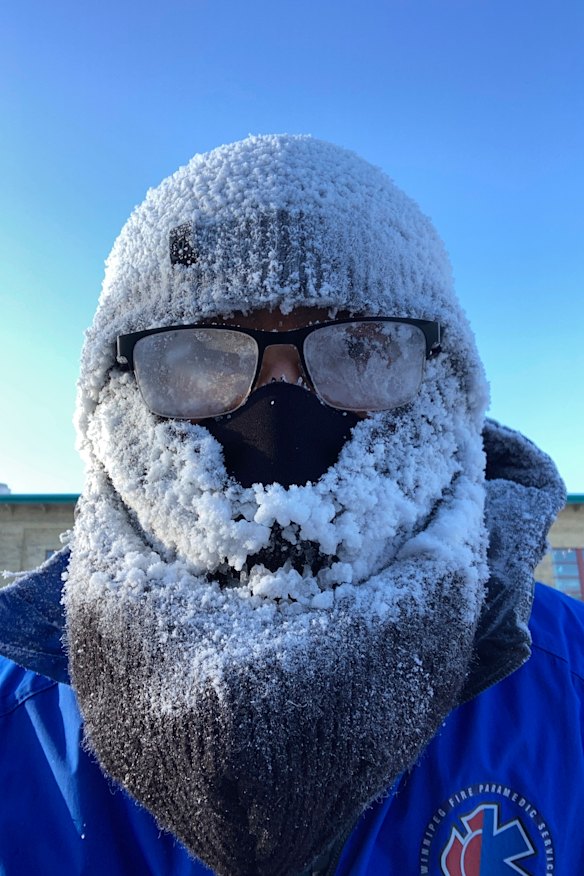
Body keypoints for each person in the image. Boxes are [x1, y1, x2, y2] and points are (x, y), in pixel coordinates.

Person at [0, 135, 582, 876]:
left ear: (444, 381)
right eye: (201, 355)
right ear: (119, 393)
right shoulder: (16, 722)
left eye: (361, 349)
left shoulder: (570, 689)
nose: (278, 411)